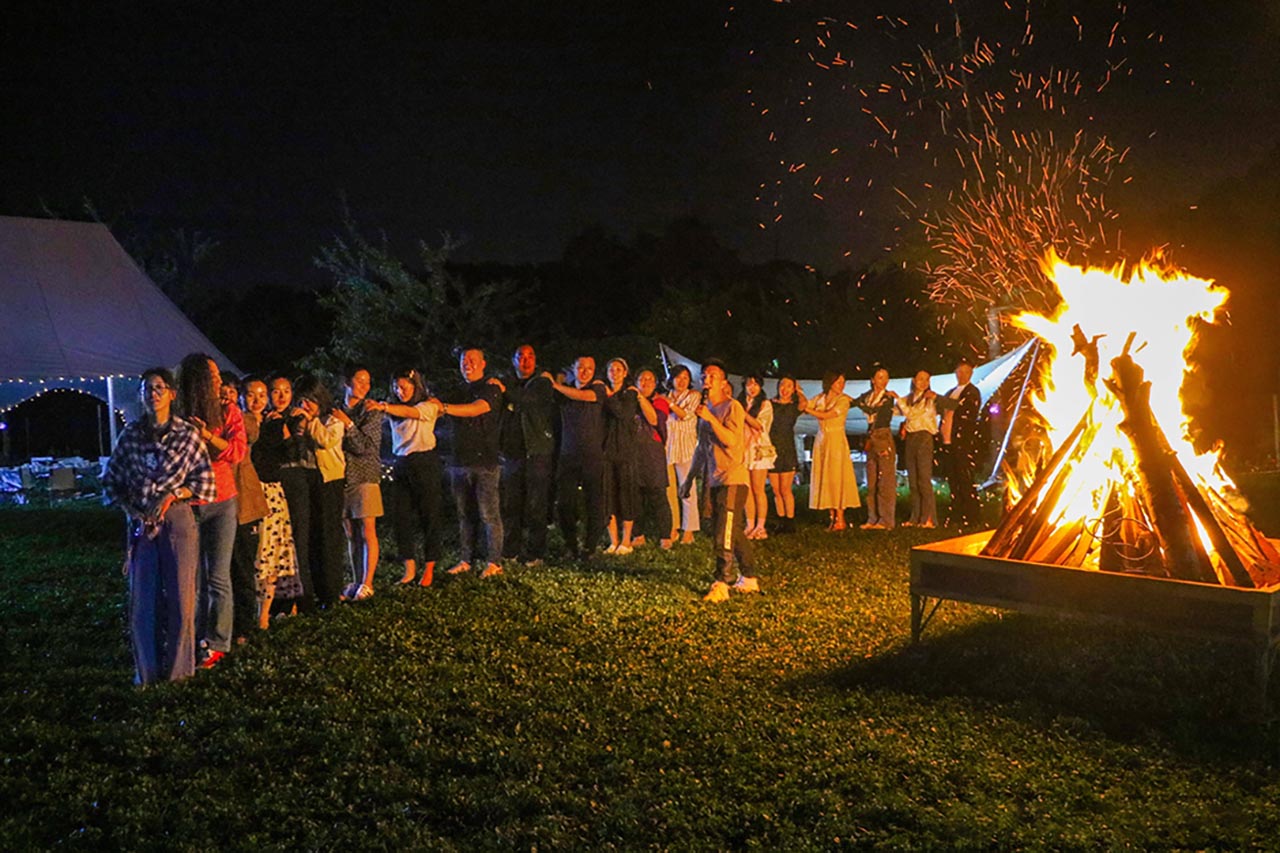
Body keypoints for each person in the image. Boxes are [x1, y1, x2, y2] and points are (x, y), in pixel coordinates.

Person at [103, 368, 216, 684]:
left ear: (172, 394)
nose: (153, 394)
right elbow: (112, 483)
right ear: (141, 395)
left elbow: (206, 483)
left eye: (160, 388)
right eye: (148, 389)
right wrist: (131, 510)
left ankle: (179, 672)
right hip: (141, 522)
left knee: (182, 599)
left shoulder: (187, 435)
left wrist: (171, 494)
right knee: (142, 602)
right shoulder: (130, 436)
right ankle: (147, 673)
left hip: (178, 521)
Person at [177, 353, 245, 668]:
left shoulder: (229, 411)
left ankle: (218, 642)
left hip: (222, 501)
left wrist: (207, 436)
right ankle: (189, 639)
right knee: (193, 578)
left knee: (218, 576)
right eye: (213, 376)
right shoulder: (178, 414)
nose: (219, 381)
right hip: (187, 504)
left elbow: (237, 452)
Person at [682, 360, 758, 602]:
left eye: (713, 375)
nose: (707, 377)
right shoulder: (706, 413)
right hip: (714, 480)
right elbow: (701, 450)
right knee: (732, 532)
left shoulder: (732, 407)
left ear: (724, 383)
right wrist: (689, 479)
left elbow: (731, 441)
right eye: (705, 374)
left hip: (733, 479)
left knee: (722, 532)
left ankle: (721, 582)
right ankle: (749, 578)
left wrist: (712, 420)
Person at [366, 369, 442, 587]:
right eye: (397, 388)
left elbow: (414, 413)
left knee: (429, 515)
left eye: (405, 387)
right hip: (401, 463)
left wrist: (384, 407)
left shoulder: (428, 405)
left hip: (425, 461)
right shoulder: (393, 410)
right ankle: (409, 568)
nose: (401, 391)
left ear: (415, 385)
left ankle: (429, 568)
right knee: (401, 517)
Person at [439, 347, 505, 578]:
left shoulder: (492, 388)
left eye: (473, 360)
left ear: (483, 363)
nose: (468, 364)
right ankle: (466, 559)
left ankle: (494, 562)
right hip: (458, 462)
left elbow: (477, 409)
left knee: (489, 515)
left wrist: (445, 408)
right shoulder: (457, 391)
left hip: (485, 462)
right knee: (464, 514)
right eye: (464, 360)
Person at [244, 376, 300, 627]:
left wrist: (287, 430)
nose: (257, 400)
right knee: (251, 554)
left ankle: (264, 614)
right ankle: (248, 611)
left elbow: (289, 454)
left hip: (271, 494)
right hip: (246, 493)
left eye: (261, 395)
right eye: (251, 394)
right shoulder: (237, 423)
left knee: (271, 554)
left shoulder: (273, 423)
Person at [497, 345, 556, 566]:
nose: (525, 360)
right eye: (520, 356)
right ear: (513, 360)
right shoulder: (508, 381)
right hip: (512, 453)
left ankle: (535, 552)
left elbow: (526, 400)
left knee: (536, 504)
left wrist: (507, 393)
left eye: (530, 356)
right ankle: (510, 550)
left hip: (537, 451)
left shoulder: (542, 382)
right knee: (511, 504)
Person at [221, 372, 268, 643]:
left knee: (242, 567)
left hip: (244, 504)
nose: (226, 396)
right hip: (220, 503)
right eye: (222, 391)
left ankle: (244, 627)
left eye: (230, 391)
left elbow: (250, 431)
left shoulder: (244, 419)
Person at [293, 374, 346, 608]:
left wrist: (310, 420)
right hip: (307, 478)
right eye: (303, 400)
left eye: (311, 400)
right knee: (311, 537)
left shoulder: (333, 420)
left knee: (328, 536)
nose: (307, 406)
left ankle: (331, 592)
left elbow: (325, 441)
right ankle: (313, 590)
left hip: (329, 481)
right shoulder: (298, 420)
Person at [332, 365, 383, 600]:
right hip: (341, 477)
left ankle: (368, 582)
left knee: (367, 529)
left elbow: (365, 447)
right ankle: (356, 579)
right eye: (360, 380)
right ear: (347, 382)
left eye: (368, 381)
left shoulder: (370, 411)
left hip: (364, 475)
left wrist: (348, 424)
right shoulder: (335, 409)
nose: (364, 386)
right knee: (350, 531)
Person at [549, 356, 608, 559]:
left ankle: (590, 547)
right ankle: (570, 545)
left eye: (589, 368)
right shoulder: (562, 391)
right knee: (565, 503)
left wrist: (557, 385)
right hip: (568, 455)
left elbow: (584, 396)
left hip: (592, 456)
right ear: (573, 369)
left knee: (594, 503)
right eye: (580, 367)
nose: (584, 371)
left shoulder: (598, 389)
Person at [808, 371, 861, 531]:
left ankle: (840, 518)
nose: (841, 385)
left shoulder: (843, 400)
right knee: (826, 477)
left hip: (836, 439)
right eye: (838, 382)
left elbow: (827, 415)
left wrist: (809, 410)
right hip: (823, 439)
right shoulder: (821, 398)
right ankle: (831, 516)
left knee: (838, 477)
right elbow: (805, 405)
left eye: (843, 382)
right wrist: (800, 393)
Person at [602, 357, 640, 554]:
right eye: (611, 369)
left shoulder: (630, 393)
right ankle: (613, 540)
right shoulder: (601, 392)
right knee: (609, 496)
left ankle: (626, 540)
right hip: (607, 450)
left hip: (625, 450)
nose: (614, 373)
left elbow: (624, 414)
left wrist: (609, 397)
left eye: (619, 369)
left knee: (626, 495)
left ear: (625, 373)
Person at [632, 368, 672, 549]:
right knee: (635, 495)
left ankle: (665, 535)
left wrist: (640, 398)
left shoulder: (660, 401)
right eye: (642, 379)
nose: (645, 382)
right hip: (634, 452)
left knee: (658, 495)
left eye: (650, 379)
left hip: (653, 452)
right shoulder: (629, 401)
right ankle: (637, 534)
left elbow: (654, 420)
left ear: (655, 384)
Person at [940, 358, 983, 528]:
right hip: (948, 441)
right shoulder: (951, 391)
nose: (962, 375)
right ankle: (957, 514)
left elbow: (963, 409)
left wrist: (937, 398)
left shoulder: (972, 392)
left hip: (962, 442)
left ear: (971, 374)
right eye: (959, 372)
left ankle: (973, 516)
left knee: (965, 479)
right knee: (954, 480)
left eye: (965, 372)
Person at [855, 367, 898, 530]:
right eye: (880, 377)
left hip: (882, 436)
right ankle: (872, 517)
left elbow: (879, 413)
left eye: (886, 377)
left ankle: (886, 520)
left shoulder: (888, 398)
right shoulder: (867, 396)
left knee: (885, 480)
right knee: (872, 480)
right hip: (871, 436)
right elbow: (858, 403)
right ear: (873, 379)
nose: (883, 381)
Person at [662, 365, 701, 545]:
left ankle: (689, 529)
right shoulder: (667, 395)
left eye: (686, 377)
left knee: (686, 489)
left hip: (686, 448)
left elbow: (684, 415)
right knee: (669, 490)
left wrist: (669, 403)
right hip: (668, 447)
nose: (682, 380)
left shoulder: (694, 396)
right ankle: (672, 526)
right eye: (678, 377)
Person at [897, 370, 940, 528]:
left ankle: (929, 518)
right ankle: (915, 517)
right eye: (921, 379)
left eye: (927, 379)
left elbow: (913, 414)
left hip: (924, 437)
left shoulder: (929, 399)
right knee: (913, 481)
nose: (924, 382)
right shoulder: (908, 398)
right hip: (911, 438)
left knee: (923, 479)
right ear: (914, 380)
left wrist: (898, 401)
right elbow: (901, 413)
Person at [767, 374, 806, 534]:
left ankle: (790, 521)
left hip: (788, 449)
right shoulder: (770, 404)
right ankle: (780, 519)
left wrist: (799, 391)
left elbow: (804, 404)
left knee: (785, 489)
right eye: (782, 385)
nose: (785, 389)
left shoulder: (793, 406)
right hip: (772, 448)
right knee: (776, 489)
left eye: (789, 386)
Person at [738, 374, 774, 540]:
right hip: (743, 450)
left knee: (758, 489)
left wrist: (742, 414)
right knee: (747, 490)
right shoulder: (740, 403)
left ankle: (761, 526)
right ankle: (750, 524)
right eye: (749, 384)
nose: (752, 387)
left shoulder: (765, 405)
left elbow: (759, 425)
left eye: (755, 384)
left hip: (759, 450)